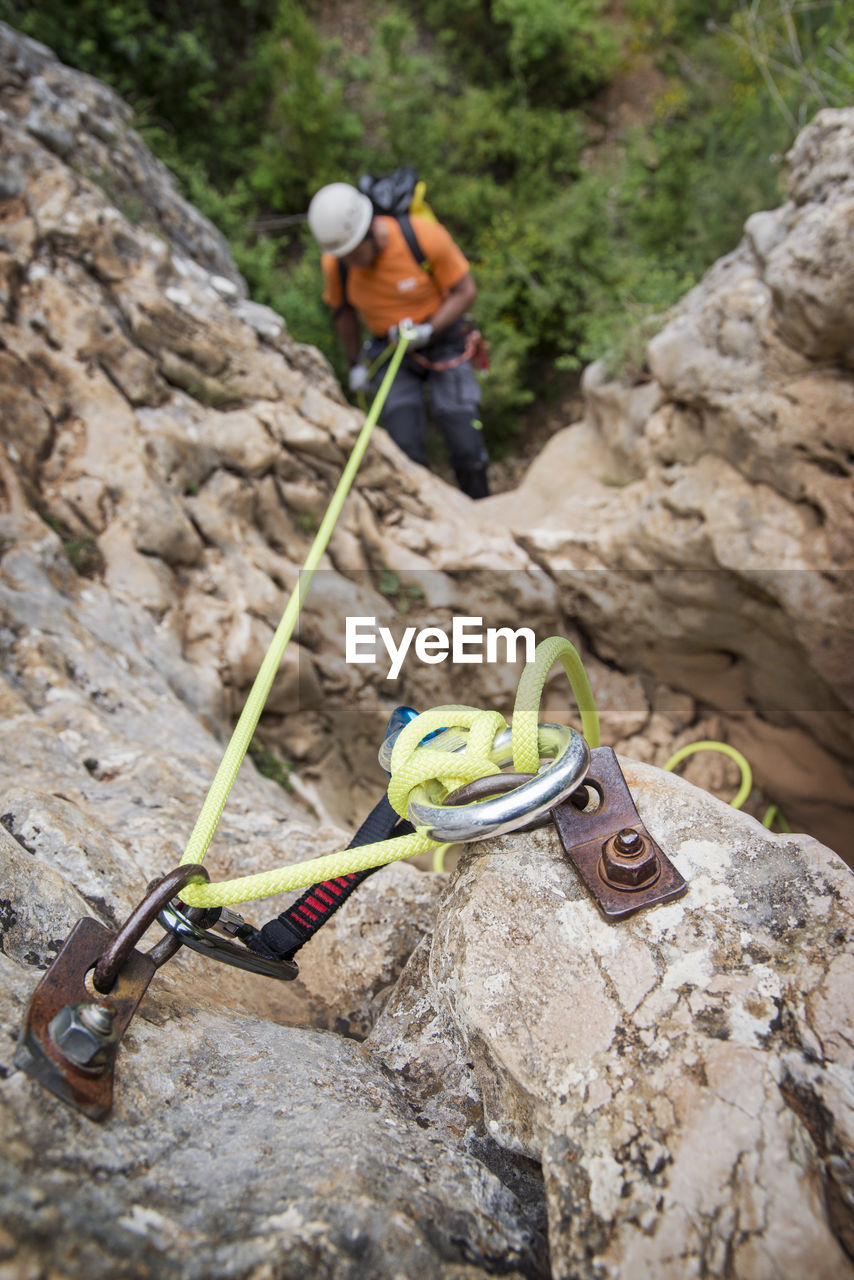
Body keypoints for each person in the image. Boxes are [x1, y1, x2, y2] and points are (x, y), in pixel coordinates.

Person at [307, 182, 490, 499]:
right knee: (403, 441)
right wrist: (355, 366)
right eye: (343, 257)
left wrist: (429, 329)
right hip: (390, 348)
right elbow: (344, 312)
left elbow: (465, 291)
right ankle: (425, 515)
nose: (350, 263)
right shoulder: (337, 263)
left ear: (368, 230)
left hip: (442, 337)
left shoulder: (422, 237)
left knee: (463, 434)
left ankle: (481, 503)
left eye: (353, 253)